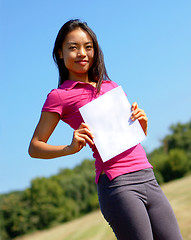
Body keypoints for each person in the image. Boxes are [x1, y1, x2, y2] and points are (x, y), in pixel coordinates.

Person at [29, 19, 183, 240]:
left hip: (147, 175)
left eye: (88, 47)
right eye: (73, 47)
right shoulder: (59, 96)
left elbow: (127, 138)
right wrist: (69, 148)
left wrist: (141, 123)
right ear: (60, 53)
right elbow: (35, 147)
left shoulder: (110, 86)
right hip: (117, 185)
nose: (82, 53)